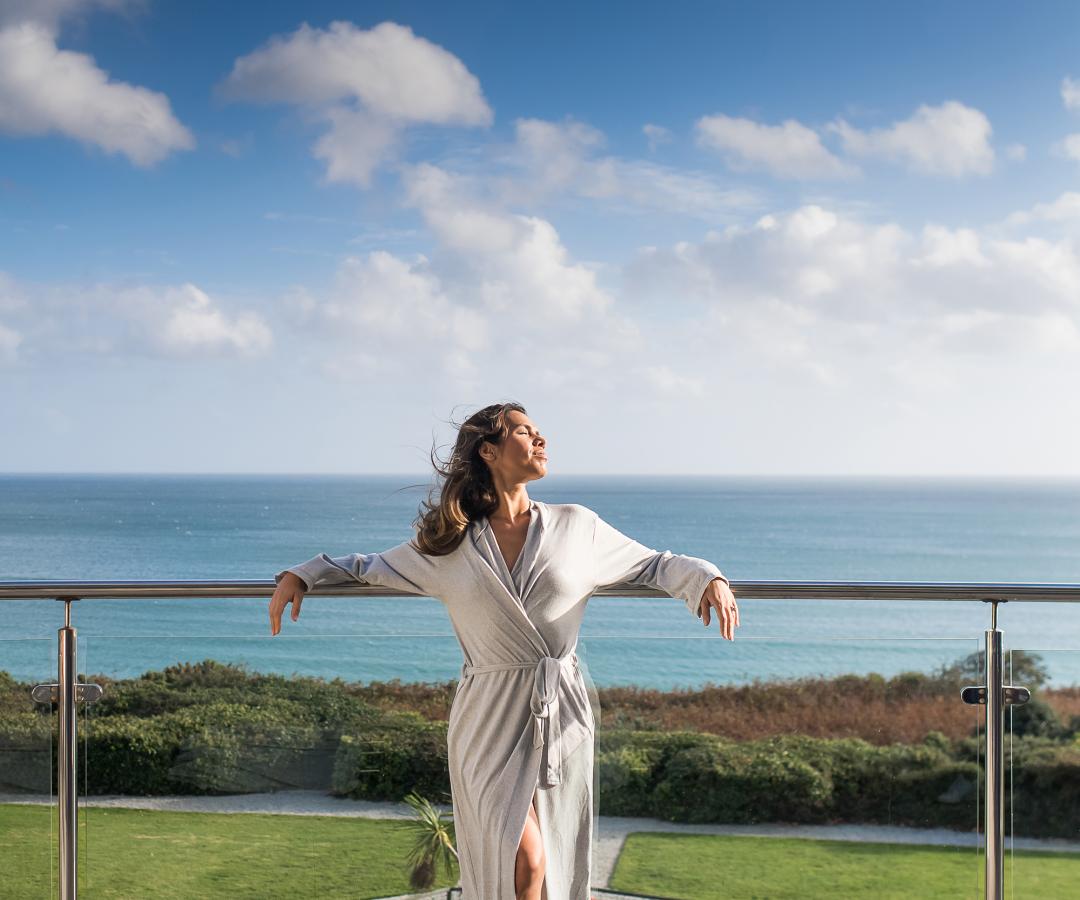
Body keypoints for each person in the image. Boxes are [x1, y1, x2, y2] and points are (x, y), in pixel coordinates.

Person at [268, 401, 739, 900]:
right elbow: (364, 566)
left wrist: (707, 577)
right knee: (524, 859)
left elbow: (653, 564)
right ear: (489, 451)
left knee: (552, 858)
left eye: (538, 431)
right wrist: (302, 574)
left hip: (559, 710)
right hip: (486, 717)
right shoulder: (449, 545)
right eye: (524, 431)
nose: (541, 439)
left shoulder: (577, 526)